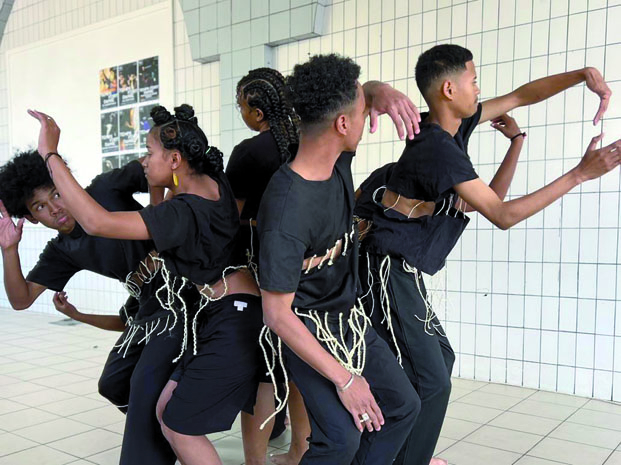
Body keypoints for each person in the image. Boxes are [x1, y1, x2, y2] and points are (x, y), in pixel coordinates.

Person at [355, 43, 617, 465]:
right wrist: (579, 174)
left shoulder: (452, 126)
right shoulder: (438, 148)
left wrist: (581, 76)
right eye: (473, 81)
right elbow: (501, 213)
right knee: (432, 380)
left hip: (398, 266)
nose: (479, 89)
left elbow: (522, 95)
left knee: (439, 360)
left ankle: (408, 454)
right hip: (382, 268)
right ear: (448, 88)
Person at [28, 103, 264, 465]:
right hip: (219, 310)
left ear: (173, 160)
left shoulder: (183, 212)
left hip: (232, 316)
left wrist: (50, 154)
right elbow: (162, 206)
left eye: (149, 152)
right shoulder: (210, 183)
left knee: (178, 423)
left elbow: (97, 221)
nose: (142, 160)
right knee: (167, 412)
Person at [257, 53, 420, 465]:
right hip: (306, 330)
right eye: (363, 115)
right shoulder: (286, 209)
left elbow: (361, 95)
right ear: (342, 124)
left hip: (349, 321)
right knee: (340, 440)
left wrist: (382, 92)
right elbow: (277, 314)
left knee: (403, 407)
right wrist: (346, 379)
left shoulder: (336, 159)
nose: (367, 119)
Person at [0, 151, 179, 465]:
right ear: (30, 218)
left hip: (183, 294)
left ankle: (161, 433)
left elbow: (160, 170)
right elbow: (21, 299)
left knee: (143, 387)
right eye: (40, 206)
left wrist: (163, 202)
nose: (56, 208)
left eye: (56, 193)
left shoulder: (104, 190)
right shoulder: (62, 250)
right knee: (113, 383)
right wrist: (10, 249)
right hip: (148, 310)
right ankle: (165, 426)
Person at [226, 67, 310, 465]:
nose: (241, 111)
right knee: (298, 364)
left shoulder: (249, 152)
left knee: (261, 372)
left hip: (262, 269)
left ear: (258, 112)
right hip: (311, 267)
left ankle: (255, 462)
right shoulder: (310, 140)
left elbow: (230, 220)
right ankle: (298, 451)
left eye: (241, 104)